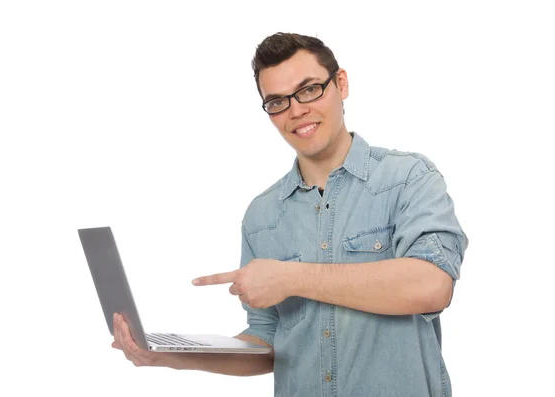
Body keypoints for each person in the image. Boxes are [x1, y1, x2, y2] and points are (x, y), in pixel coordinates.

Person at [112, 32, 468, 397]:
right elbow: (267, 344)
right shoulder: (262, 216)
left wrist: (291, 278)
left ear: (341, 84)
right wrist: (169, 355)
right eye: (277, 102)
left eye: (310, 89)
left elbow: (431, 285)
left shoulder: (408, 178)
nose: (296, 110)